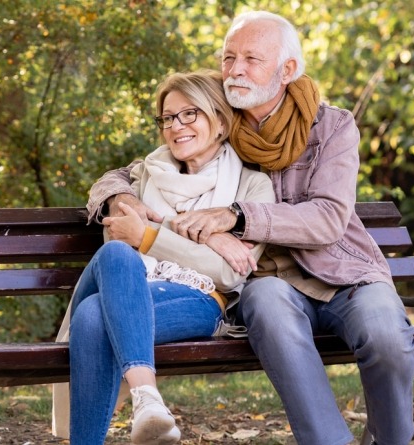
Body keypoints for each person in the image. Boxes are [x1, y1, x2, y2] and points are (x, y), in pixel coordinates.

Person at [85, 11, 414, 445]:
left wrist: (237, 217)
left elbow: (328, 218)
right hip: (265, 281)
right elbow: (138, 170)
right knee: (271, 310)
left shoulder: (331, 127)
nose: (235, 69)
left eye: (251, 59)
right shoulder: (220, 118)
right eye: (228, 57)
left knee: (388, 337)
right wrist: (120, 197)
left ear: (287, 69)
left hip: (343, 274)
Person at [59, 70, 274, 445]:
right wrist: (204, 237)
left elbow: (227, 272)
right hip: (128, 284)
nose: (176, 126)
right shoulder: (144, 174)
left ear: (221, 122)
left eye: (190, 114)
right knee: (115, 253)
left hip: (200, 301)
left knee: (93, 317)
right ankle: (148, 399)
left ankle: (140, 405)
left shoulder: (252, 185)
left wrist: (148, 236)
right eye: (168, 118)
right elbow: (114, 229)